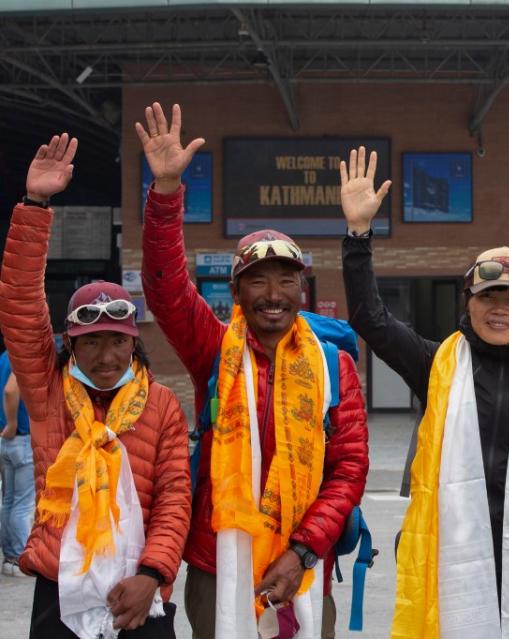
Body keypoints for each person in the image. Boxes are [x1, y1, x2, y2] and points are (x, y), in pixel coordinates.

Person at [339, 146, 509, 637]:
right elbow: (369, 320)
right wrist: (358, 236)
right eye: (488, 298)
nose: (499, 310)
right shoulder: (437, 363)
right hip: (451, 555)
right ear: (469, 302)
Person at [138, 102, 369, 639]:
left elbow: (350, 468)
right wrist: (167, 194)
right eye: (257, 281)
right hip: (220, 561)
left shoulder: (335, 367)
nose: (273, 295)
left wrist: (304, 548)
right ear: (236, 292)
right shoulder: (216, 349)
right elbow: (167, 290)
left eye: (286, 281)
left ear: (303, 290)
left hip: (305, 568)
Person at [0, 132, 191, 638]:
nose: (105, 357)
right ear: (70, 345)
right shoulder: (48, 390)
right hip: (58, 589)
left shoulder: (162, 404)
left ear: (135, 343)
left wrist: (152, 574)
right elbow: (21, 306)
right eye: (90, 343)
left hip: (141, 589)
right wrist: (35, 204)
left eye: (117, 342)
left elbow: (174, 496)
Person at [0, 350, 34, 577]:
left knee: (9, 501)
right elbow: (11, 390)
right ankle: (23, 560)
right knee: (23, 504)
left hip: (7, 440)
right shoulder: (21, 356)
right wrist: (12, 424)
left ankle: (10, 558)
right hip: (20, 437)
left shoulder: (3, 357)